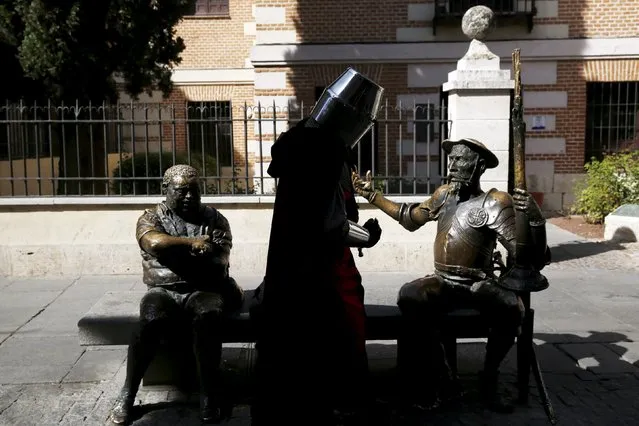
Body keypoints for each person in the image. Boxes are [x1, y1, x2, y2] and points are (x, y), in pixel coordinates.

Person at [352, 138, 550, 412]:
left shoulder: (494, 202)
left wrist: (535, 221)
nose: (453, 165)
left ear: (479, 165)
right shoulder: (444, 195)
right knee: (410, 295)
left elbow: (529, 257)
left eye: (461, 160)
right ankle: (441, 373)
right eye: (452, 159)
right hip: (443, 281)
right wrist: (372, 195)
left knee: (511, 308)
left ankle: (488, 379)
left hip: (478, 283)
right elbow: (410, 218)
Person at [249, 68, 385, 425]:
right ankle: (345, 400)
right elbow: (331, 224)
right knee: (341, 324)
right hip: (320, 269)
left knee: (287, 339)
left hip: (287, 262)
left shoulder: (297, 141)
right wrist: (367, 237)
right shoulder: (324, 151)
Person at [110, 164, 244, 424]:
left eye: (194, 191)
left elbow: (220, 258)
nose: (189, 197)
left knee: (209, 318)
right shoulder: (151, 218)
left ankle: (209, 394)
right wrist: (193, 244)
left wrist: (184, 254)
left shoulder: (214, 218)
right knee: (149, 321)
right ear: (166, 190)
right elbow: (153, 242)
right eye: (181, 191)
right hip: (163, 290)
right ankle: (128, 393)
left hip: (204, 289)